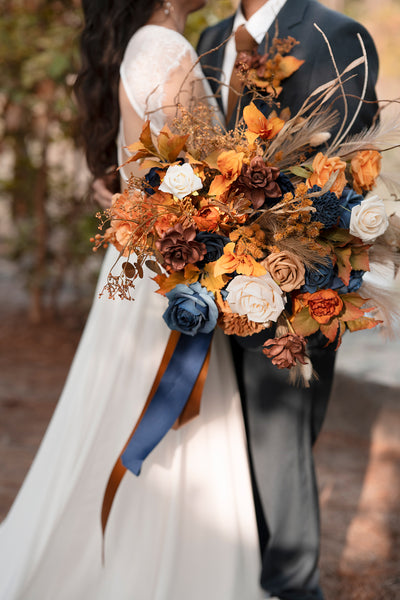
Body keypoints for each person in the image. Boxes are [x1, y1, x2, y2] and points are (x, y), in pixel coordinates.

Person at [0, 2, 263, 599]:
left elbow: (145, 173)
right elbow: (193, 172)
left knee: (119, 403)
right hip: (169, 267)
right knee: (160, 405)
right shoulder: (167, 47)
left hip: (140, 258)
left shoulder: (142, 46)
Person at [196, 1, 379, 599]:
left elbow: (345, 178)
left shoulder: (335, 34)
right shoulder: (213, 35)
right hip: (204, 280)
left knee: (282, 449)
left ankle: (293, 589)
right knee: (223, 443)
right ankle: (238, 577)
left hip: (293, 286)